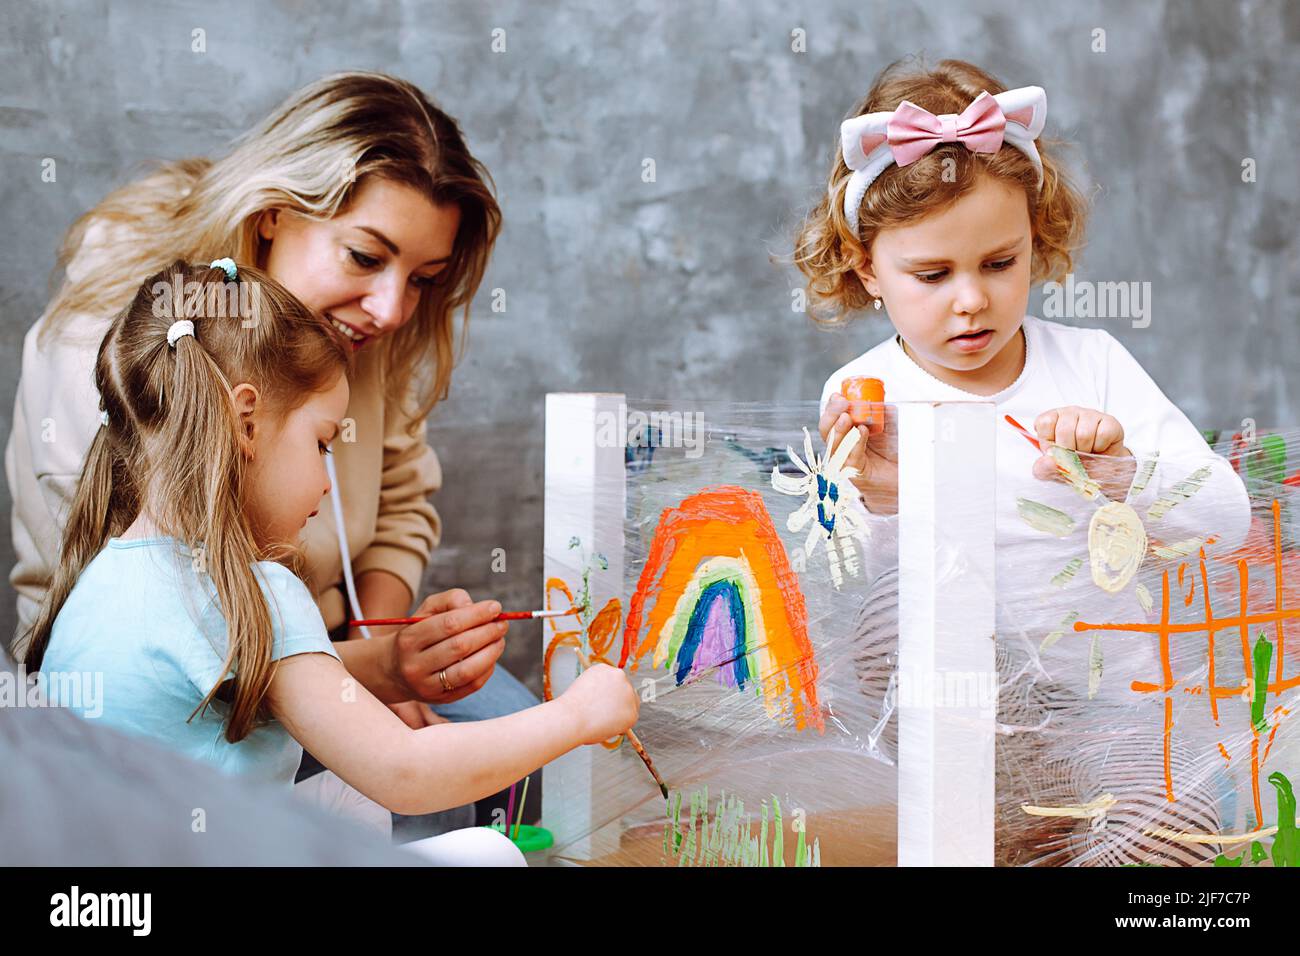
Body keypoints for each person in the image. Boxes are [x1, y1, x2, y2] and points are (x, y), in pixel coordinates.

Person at [5, 72, 538, 835]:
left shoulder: (359, 335)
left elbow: (402, 503)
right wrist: (356, 691)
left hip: (303, 657)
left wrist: (384, 647)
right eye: (364, 257)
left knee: (515, 755)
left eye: (422, 279)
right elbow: (177, 637)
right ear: (271, 218)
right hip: (190, 699)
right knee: (455, 789)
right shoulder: (132, 338)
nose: (390, 310)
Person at [23, 261, 639, 865]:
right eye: (322, 443)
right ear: (245, 422)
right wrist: (579, 715)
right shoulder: (252, 589)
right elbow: (407, 771)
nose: (326, 482)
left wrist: (394, 669)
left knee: (346, 793)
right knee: (491, 852)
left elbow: (246, 671)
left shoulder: (101, 576)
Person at [794, 57, 1251, 864]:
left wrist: (1119, 474)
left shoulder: (1094, 365)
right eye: (931, 275)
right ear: (867, 268)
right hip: (952, 720)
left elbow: (1225, 519)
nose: (970, 299)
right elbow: (831, 607)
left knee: (1176, 840)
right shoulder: (863, 392)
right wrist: (880, 501)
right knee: (897, 605)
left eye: (999, 264)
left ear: (1036, 245)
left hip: (1110, 713)